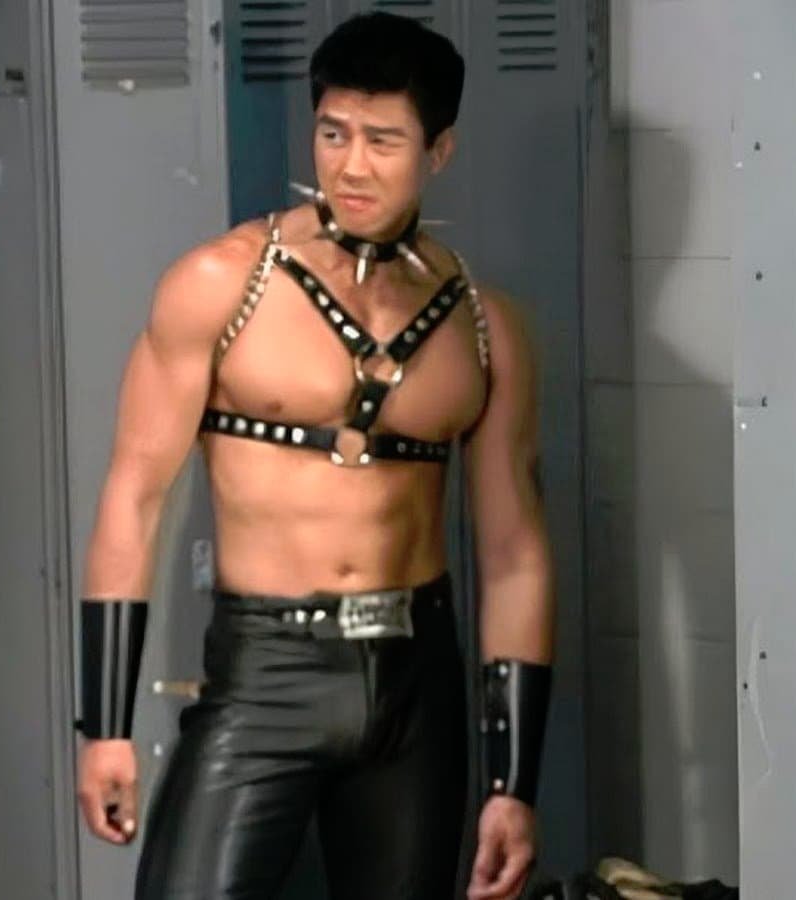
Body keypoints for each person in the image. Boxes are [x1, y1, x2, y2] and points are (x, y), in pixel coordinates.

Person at [74, 11, 555, 900]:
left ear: (438, 150)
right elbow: (133, 495)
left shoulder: (483, 328)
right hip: (265, 676)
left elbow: (514, 553)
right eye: (334, 134)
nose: (352, 165)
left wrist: (511, 784)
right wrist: (102, 726)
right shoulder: (223, 283)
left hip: (416, 687)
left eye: (384, 141)